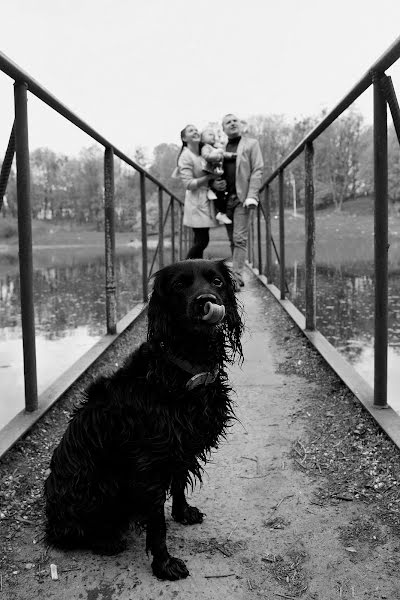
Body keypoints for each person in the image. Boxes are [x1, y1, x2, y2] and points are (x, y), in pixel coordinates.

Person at [213, 113, 264, 289]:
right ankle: (235, 272)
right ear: (223, 128)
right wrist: (215, 183)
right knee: (232, 240)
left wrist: (252, 195)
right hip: (225, 200)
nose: (232, 123)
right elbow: (213, 171)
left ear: (240, 124)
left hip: (243, 198)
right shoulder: (219, 148)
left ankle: (236, 277)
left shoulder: (251, 144)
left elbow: (257, 170)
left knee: (239, 238)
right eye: (228, 122)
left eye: (235, 120)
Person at [176, 124, 217, 259]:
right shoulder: (185, 156)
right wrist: (210, 177)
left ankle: (194, 271)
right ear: (184, 138)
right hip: (195, 202)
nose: (195, 131)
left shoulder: (201, 153)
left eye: (195, 129)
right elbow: (188, 184)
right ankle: (185, 268)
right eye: (190, 130)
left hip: (204, 199)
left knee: (200, 240)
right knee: (202, 241)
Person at [200, 128, 234, 225]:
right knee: (219, 192)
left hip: (217, 172)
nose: (213, 136)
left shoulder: (215, 148)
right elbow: (206, 156)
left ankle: (222, 212)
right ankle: (221, 212)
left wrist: (232, 155)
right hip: (211, 172)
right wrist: (218, 156)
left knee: (221, 192)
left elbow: (224, 154)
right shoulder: (205, 147)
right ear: (203, 139)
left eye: (213, 135)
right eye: (210, 134)